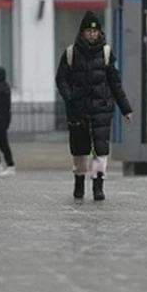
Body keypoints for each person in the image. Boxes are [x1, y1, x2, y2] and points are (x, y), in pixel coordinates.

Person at [55, 11, 133, 201]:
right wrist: (69, 97)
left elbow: (115, 83)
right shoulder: (71, 53)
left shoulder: (106, 53)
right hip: (78, 110)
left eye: (95, 31)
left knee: (101, 149)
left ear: (99, 33)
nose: (91, 34)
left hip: (101, 109)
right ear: (82, 33)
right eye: (88, 31)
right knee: (80, 149)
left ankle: (99, 185)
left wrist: (126, 109)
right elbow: (61, 79)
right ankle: (79, 182)